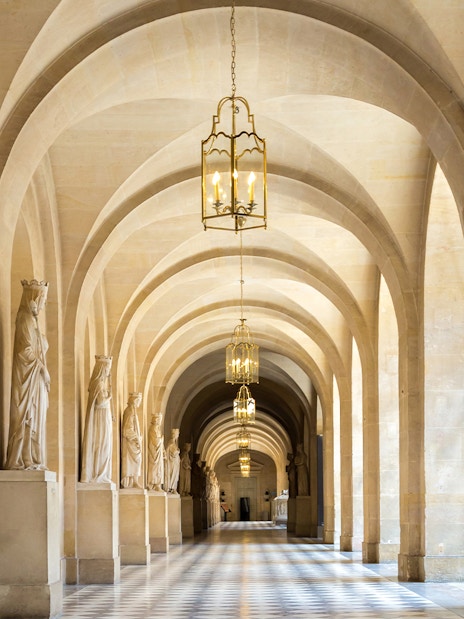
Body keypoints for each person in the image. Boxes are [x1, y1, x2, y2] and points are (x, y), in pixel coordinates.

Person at [6, 279, 50, 470]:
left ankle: (31, 457)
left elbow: (39, 347)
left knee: (35, 420)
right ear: (34, 298)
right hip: (27, 378)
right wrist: (42, 368)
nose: (43, 304)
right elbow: (25, 352)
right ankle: (21, 458)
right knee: (26, 417)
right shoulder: (24, 319)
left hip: (35, 380)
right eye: (42, 300)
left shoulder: (33, 320)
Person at [80, 355, 113, 483]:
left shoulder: (101, 385)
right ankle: (98, 473)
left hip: (104, 419)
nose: (108, 373)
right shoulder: (98, 384)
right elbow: (100, 402)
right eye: (107, 370)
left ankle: (103, 473)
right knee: (101, 445)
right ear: (101, 369)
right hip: (99, 421)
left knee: (105, 446)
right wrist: (109, 397)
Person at [121, 392, 143, 488]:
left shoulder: (132, 411)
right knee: (134, 460)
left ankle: (134, 480)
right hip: (131, 442)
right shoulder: (129, 411)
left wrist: (138, 437)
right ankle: (131, 481)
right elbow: (127, 430)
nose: (139, 403)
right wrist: (136, 437)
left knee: (137, 460)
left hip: (134, 442)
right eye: (139, 401)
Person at [147, 412, 164, 491]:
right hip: (154, 453)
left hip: (158, 453)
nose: (160, 421)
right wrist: (161, 439)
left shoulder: (157, 429)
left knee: (158, 468)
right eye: (160, 419)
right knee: (154, 467)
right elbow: (156, 442)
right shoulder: (153, 429)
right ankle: (152, 484)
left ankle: (157, 484)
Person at [164, 428, 180, 493]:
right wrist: (177, 451)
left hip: (175, 463)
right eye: (178, 434)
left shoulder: (174, 443)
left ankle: (173, 488)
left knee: (174, 475)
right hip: (172, 462)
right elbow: (172, 452)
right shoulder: (171, 442)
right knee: (172, 474)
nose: (178, 435)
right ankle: (171, 487)